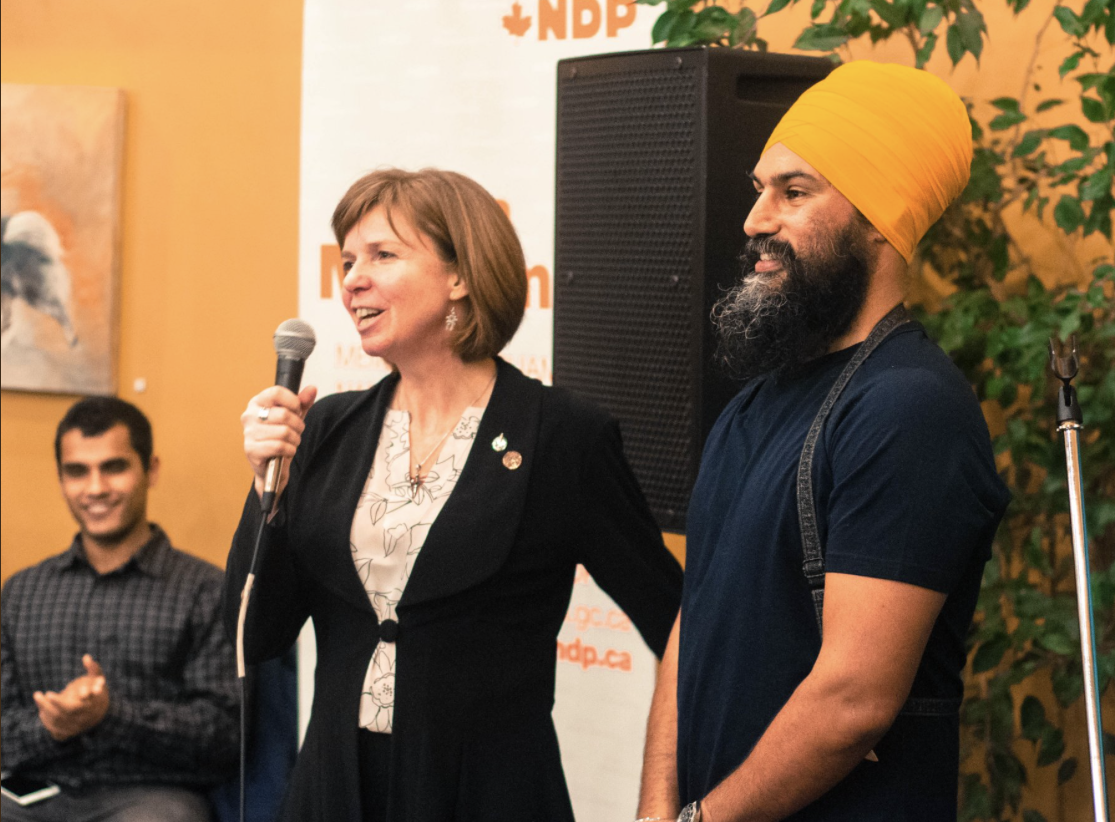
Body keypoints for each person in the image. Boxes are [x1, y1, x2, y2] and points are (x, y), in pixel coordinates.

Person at [225, 167, 683, 821]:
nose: (352, 277)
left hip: (486, 795)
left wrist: (663, 802)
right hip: (334, 792)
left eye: (383, 255)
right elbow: (252, 636)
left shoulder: (561, 437)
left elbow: (680, 621)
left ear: (460, 275)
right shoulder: (325, 428)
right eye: (349, 259)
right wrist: (264, 484)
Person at [637, 62, 1012, 822]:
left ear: (880, 217)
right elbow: (694, 625)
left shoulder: (908, 409)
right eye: (758, 188)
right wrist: (660, 811)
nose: (755, 220)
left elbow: (854, 700)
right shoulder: (752, 408)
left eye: (794, 192)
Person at [1, 397, 238, 822]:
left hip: (150, 798)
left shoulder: (205, 590)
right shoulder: (21, 593)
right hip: (30, 794)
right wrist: (52, 725)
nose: (95, 488)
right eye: (77, 471)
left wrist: (112, 715)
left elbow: (222, 739)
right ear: (60, 480)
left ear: (151, 470)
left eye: (114, 467)